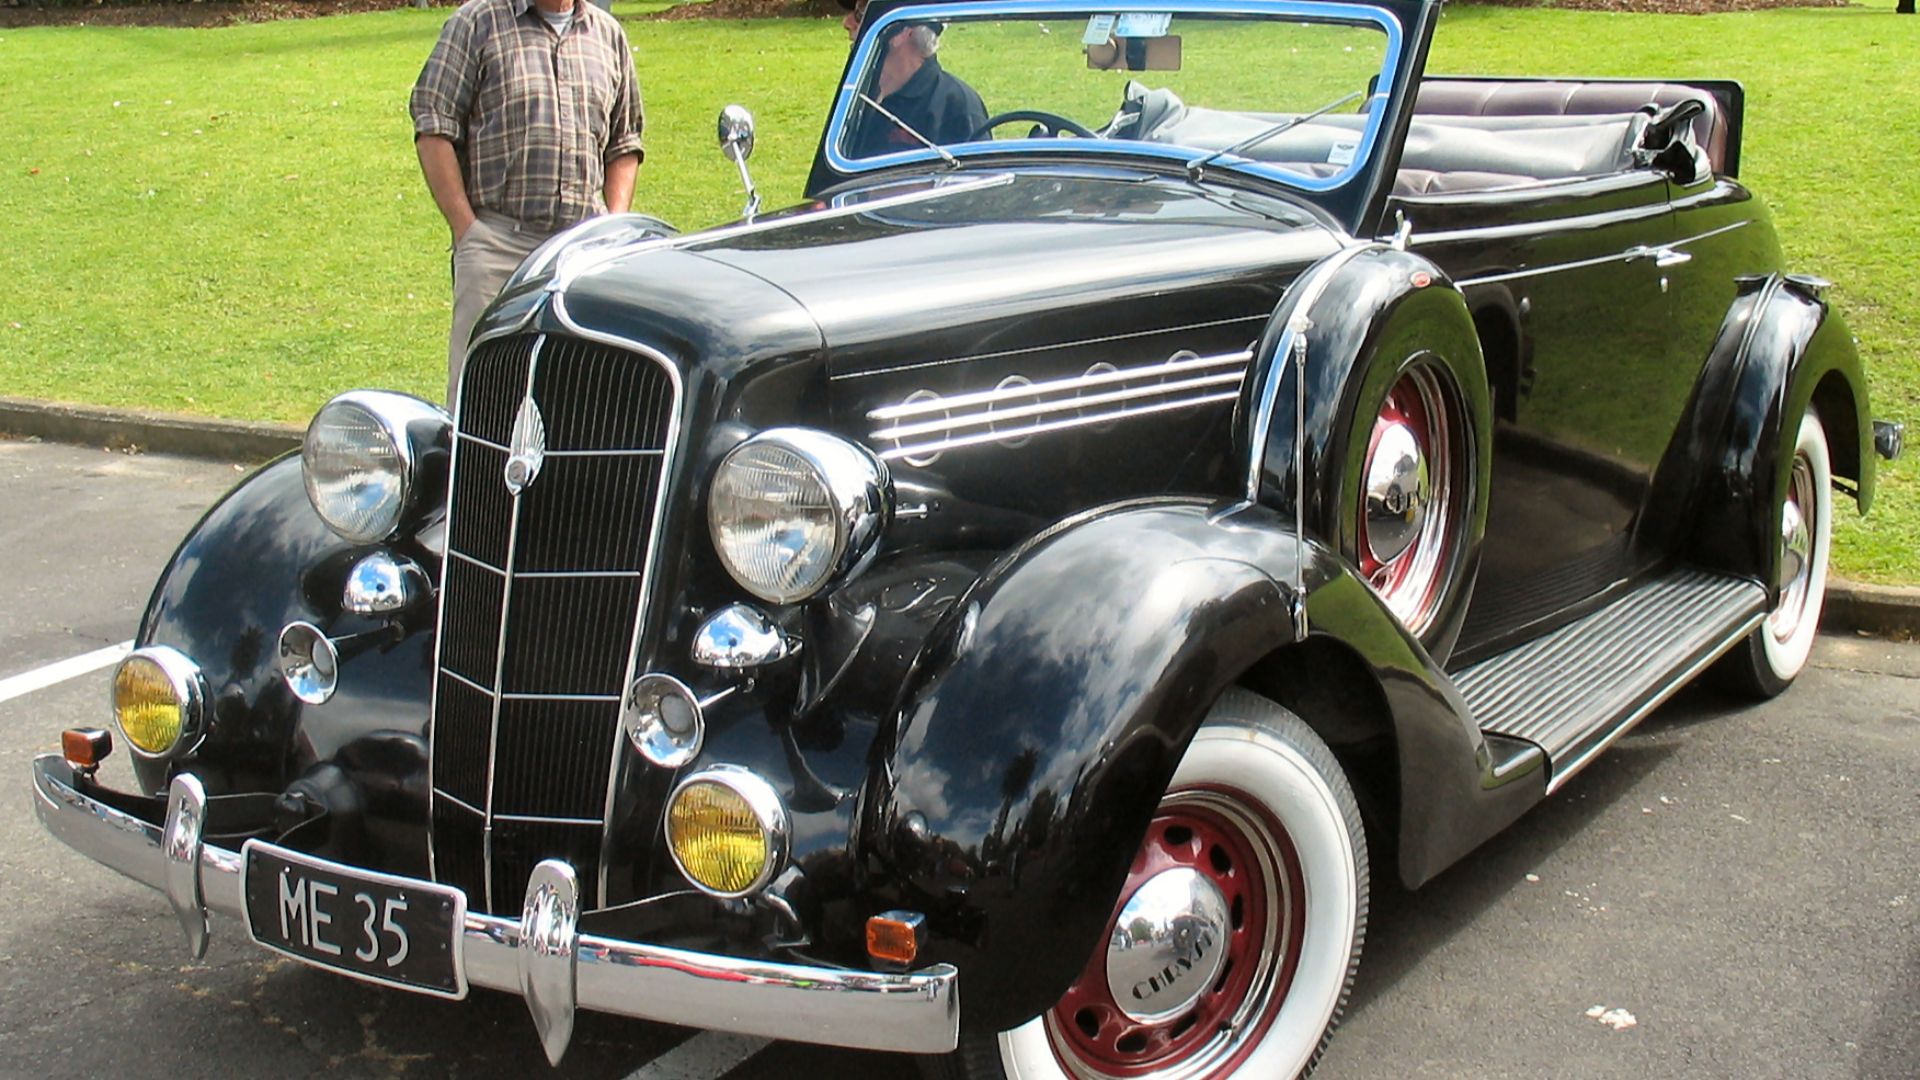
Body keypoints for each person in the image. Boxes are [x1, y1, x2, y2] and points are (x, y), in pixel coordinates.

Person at [409, 0, 644, 402]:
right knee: (484, 396)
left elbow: (624, 143)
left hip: (583, 255)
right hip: (499, 248)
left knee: (581, 397)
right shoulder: (477, 23)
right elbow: (433, 126)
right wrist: (468, 230)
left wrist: (612, 228)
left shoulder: (607, 34)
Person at [841, 4, 987, 159]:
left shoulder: (957, 106)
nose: (847, 23)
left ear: (902, 33)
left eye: (860, 15)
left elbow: (979, 171)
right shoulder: (857, 94)